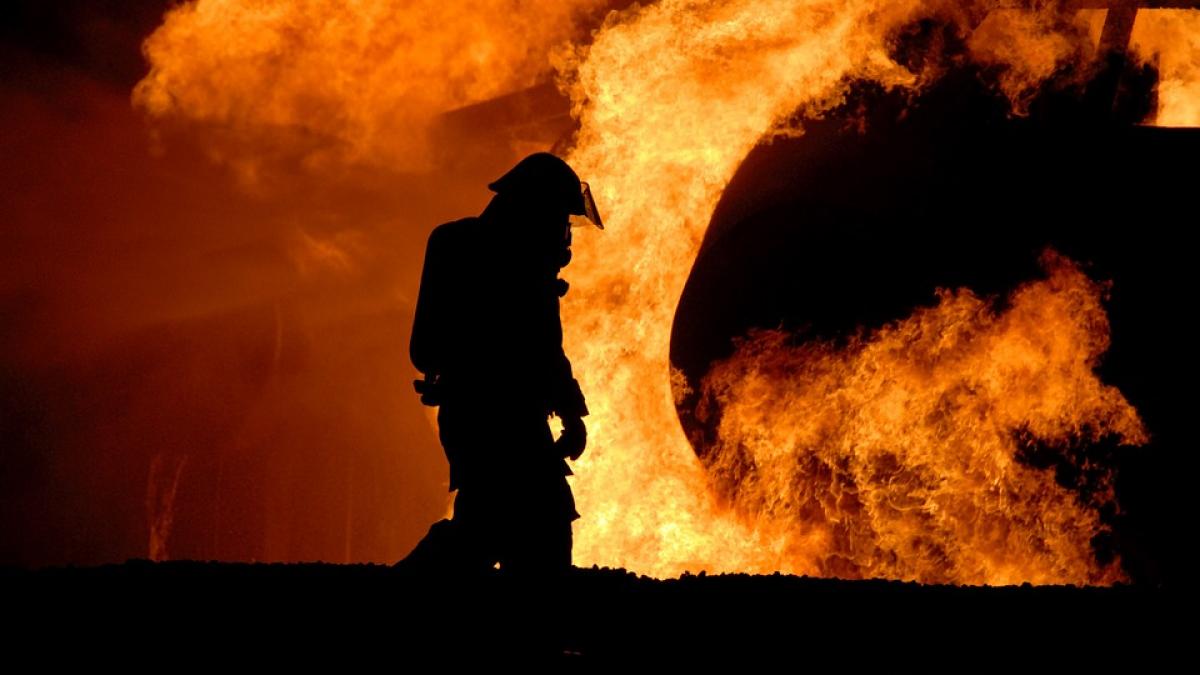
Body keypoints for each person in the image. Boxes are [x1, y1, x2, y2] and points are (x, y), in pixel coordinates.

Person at [401, 152, 602, 575]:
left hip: (474, 417)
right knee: (521, 523)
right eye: (560, 219)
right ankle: (402, 595)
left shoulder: (458, 244)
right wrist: (571, 413)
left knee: (495, 522)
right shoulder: (523, 267)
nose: (564, 233)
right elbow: (545, 348)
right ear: (535, 209)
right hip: (500, 419)